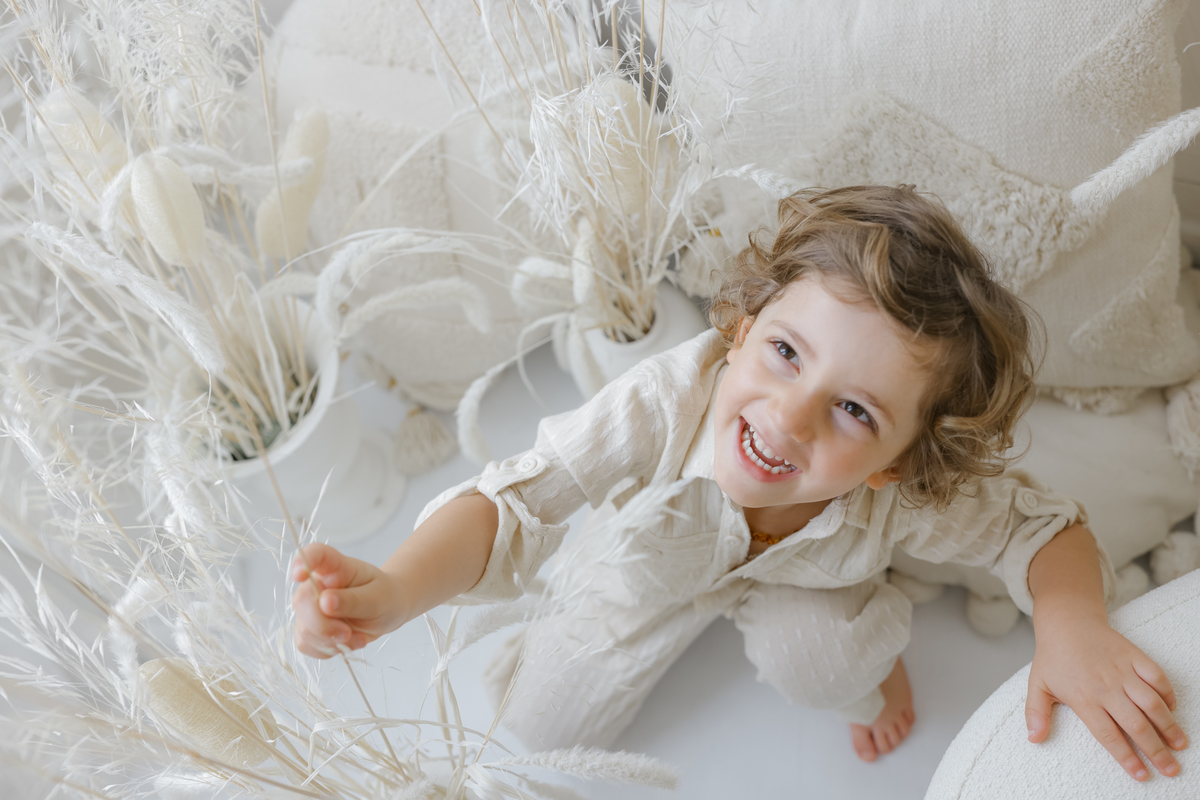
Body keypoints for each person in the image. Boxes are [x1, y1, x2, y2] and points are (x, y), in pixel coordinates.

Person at [291, 185, 1188, 778]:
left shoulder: (907, 490)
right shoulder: (661, 404)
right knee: (541, 730)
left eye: (855, 412)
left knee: (831, 666)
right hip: (643, 564)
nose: (790, 416)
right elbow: (516, 496)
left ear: (898, 462)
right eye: (786, 353)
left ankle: (876, 652)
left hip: (813, 588)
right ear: (742, 326)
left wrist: (1071, 625)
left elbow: (1041, 529)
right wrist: (400, 586)